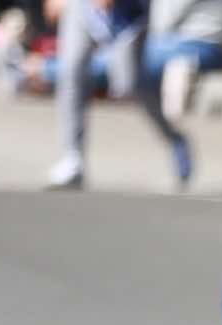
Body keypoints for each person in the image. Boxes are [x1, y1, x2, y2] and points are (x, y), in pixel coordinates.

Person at [45, 0, 144, 190]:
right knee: (71, 71)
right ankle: (72, 157)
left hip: (130, 14)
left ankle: (174, 139)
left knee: (131, 88)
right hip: (82, 6)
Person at [139, 0, 222, 188]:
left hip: (198, 42)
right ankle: (174, 133)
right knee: (134, 72)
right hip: (190, 43)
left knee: (133, 69)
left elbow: (164, 21)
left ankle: (174, 130)